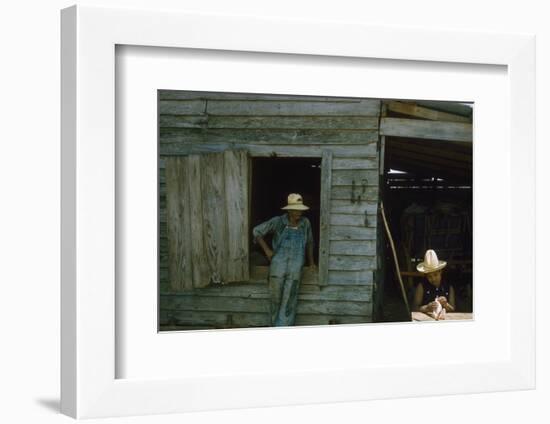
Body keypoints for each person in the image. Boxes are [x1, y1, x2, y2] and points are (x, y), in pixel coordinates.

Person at [252, 193, 316, 327]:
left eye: (301, 210)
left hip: (295, 269)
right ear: (289, 210)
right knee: (275, 299)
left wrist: (311, 263)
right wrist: (267, 250)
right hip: (278, 268)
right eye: (296, 210)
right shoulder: (278, 222)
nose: (299, 212)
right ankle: (274, 327)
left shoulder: (305, 223)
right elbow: (257, 232)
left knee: (290, 301)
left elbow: (310, 242)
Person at [413, 249, 456, 317]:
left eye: (435, 275)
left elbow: (453, 309)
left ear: (440, 272)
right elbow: (414, 308)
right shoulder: (421, 286)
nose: (433, 279)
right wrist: (427, 307)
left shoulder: (448, 286)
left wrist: (446, 304)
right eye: (429, 276)